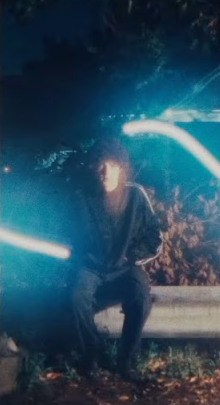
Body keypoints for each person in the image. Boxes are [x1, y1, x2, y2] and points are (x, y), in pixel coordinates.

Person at [66, 136, 162, 383]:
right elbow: (68, 237)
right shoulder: (80, 196)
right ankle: (92, 356)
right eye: (101, 165)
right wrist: (81, 260)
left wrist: (133, 256)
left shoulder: (135, 195)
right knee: (77, 297)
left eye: (113, 165)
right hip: (91, 268)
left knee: (141, 294)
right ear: (94, 167)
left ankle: (126, 360)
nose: (106, 172)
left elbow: (155, 236)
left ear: (121, 168)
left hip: (125, 268)